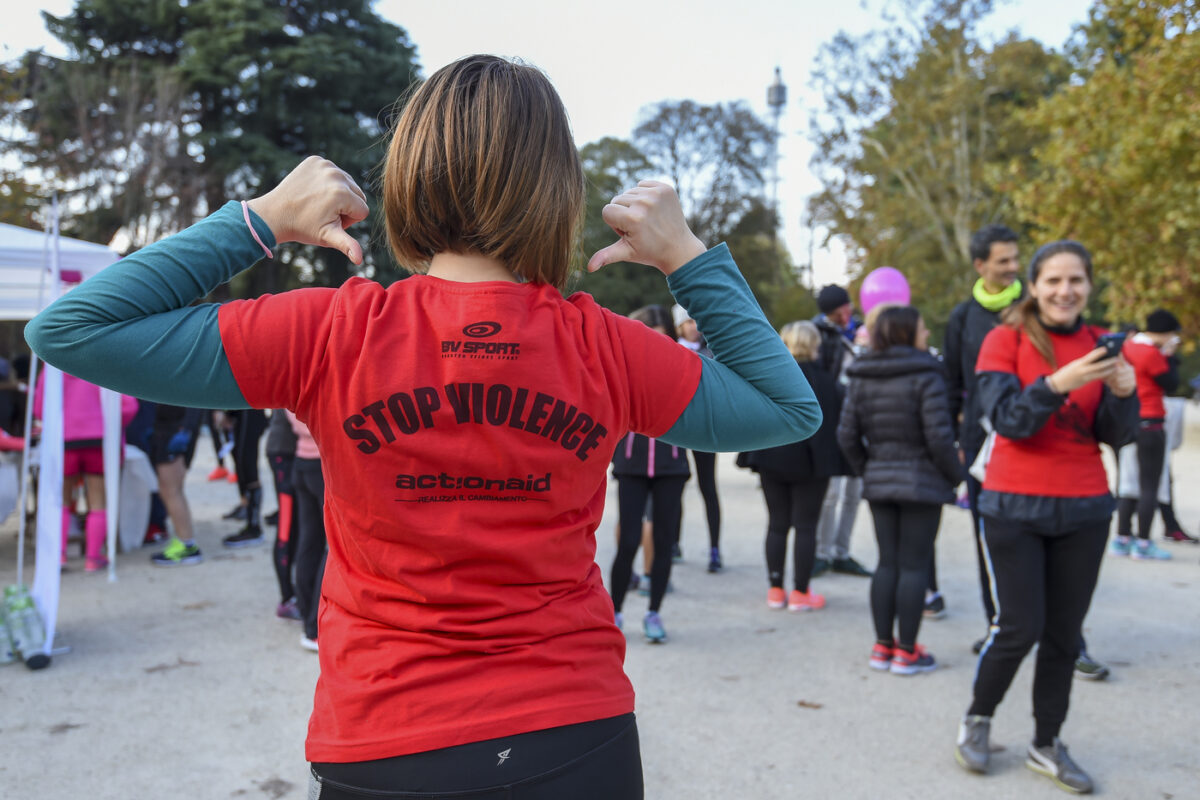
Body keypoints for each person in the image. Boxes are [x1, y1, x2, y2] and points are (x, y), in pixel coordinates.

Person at [25, 55, 820, 799]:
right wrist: (685, 256)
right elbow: (786, 407)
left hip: (385, 735)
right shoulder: (603, 345)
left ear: (411, 172)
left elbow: (71, 330)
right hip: (574, 728)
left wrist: (260, 220)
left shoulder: (332, 332)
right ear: (556, 189)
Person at [953, 241, 1137, 794]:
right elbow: (1007, 420)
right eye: (1053, 280)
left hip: (1086, 507)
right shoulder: (1003, 339)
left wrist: (1123, 394)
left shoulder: (1098, 343)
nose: (1065, 290)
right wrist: (1061, 382)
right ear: (1033, 286)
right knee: (1019, 627)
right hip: (1014, 506)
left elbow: (1115, 435)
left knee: (1064, 636)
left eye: (1075, 279)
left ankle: (1047, 742)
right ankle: (978, 718)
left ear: (1089, 285)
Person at [837, 305, 961, 675]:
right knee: (914, 565)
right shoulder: (928, 375)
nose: (927, 334)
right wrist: (955, 476)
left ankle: (882, 646)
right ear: (907, 333)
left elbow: (846, 435)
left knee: (887, 562)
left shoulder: (862, 375)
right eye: (922, 329)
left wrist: (868, 469)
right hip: (922, 482)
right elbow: (939, 438)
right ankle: (906, 651)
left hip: (880, 480)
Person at [940, 224, 1021, 636]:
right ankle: (998, 625)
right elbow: (951, 383)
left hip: (1028, 436)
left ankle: (1061, 636)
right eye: (1003, 260)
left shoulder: (1034, 306)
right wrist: (954, 442)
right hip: (978, 441)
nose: (1013, 267)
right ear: (980, 265)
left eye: (1015, 258)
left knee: (1037, 531)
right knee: (986, 535)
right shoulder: (962, 316)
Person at [739, 321, 850, 611]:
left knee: (777, 524)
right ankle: (801, 592)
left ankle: (775, 590)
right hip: (811, 464)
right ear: (814, 345)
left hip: (771, 459)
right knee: (806, 526)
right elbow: (834, 428)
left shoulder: (769, 377)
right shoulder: (826, 382)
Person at [609, 306, 690, 643]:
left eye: (662, 337)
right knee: (628, 540)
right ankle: (614, 612)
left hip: (671, 465)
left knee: (663, 542)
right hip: (632, 463)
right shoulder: (621, 365)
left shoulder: (683, 364)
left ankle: (654, 611)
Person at [34, 372, 139, 571]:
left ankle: (59, 555)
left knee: (61, 500)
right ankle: (93, 557)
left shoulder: (52, 366)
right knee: (98, 501)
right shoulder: (101, 363)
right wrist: (109, 421)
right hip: (99, 438)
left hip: (64, 439)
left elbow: (40, 409)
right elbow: (129, 406)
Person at [1111, 309, 1184, 559]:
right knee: (1150, 486)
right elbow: (1171, 383)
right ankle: (1143, 542)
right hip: (1151, 422)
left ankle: (1122, 538)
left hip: (1129, 421)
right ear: (1164, 332)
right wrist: (1169, 356)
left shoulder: (1128, 346)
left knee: (1127, 484)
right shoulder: (1151, 353)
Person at [812, 284, 872, 579]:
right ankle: (821, 553)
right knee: (831, 492)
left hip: (863, 418)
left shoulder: (864, 331)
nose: (843, 316)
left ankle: (841, 552)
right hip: (833, 420)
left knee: (854, 492)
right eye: (837, 314)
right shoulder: (819, 334)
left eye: (845, 309)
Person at [672, 303, 723, 573]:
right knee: (676, 485)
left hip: (704, 428)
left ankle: (715, 548)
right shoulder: (669, 348)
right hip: (677, 428)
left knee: (708, 487)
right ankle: (673, 543)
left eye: (696, 322)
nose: (695, 327)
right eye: (689, 322)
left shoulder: (711, 351)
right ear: (679, 326)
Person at [146, 403, 205, 566]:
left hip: (174, 429)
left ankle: (187, 545)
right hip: (169, 427)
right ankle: (185, 541)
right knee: (170, 489)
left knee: (171, 489)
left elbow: (193, 403)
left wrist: (186, 430)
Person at [265, 409, 302, 620]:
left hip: (295, 453)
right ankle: (287, 598)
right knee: (286, 528)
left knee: (298, 527)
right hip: (284, 454)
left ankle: (295, 594)